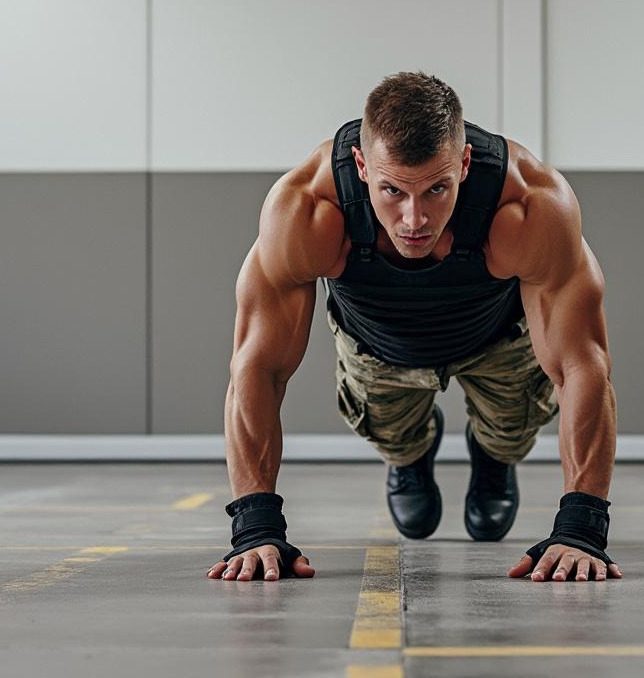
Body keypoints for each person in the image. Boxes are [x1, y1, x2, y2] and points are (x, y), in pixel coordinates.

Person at [207, 71, 622, 584]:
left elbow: (582, 364)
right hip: (377, 345)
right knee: (393, 439)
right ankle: (409, 458)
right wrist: (256, 527)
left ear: (465, 163)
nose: (414, 218)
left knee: (511, 433)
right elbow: (259, 366)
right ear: (361, 166)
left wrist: (582, 528)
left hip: (497, 340)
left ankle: (493, 457)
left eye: (436, 189)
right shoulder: (307, 209)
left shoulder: (529, 206)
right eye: (392, 191)